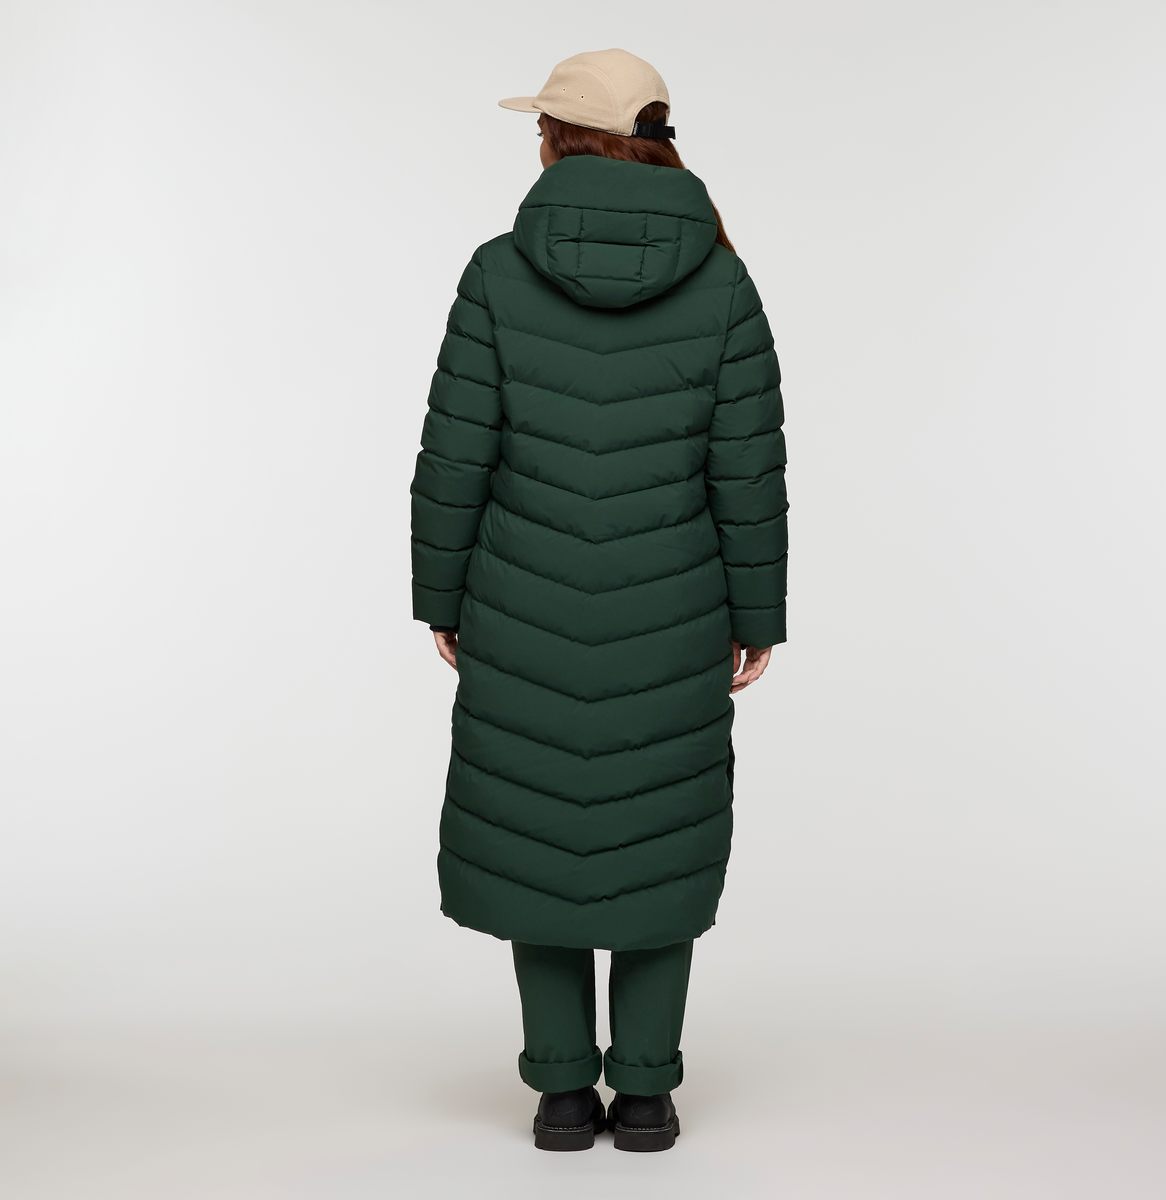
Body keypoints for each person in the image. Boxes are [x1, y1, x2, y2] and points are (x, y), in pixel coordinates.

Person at [410, 48, 787, 1153]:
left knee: (539, 839)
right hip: (675, 616)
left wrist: (442, 595)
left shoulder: (497, 272)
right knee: (657, 843)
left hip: (520, 610)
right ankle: (650, 1094)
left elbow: (454, 456)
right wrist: (755, 616)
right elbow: (747, 470)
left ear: (554, 139)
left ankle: (562, 1094)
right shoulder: (722, 280)